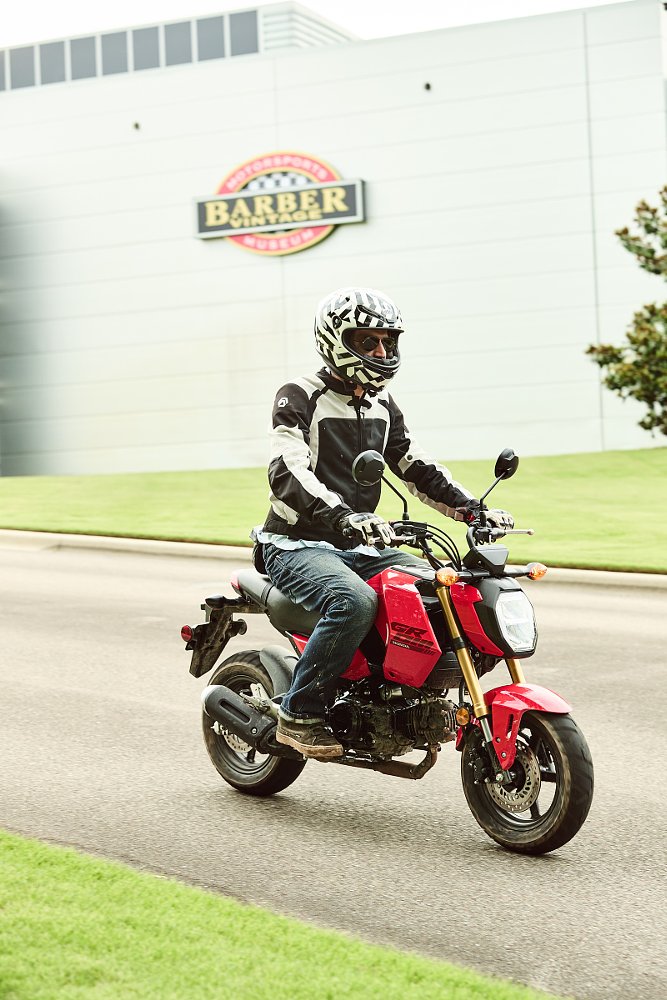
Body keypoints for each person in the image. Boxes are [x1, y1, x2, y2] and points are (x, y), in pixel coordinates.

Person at [253, 287, 513, 760]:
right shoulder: (300, 395)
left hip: (364, 544)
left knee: (445, 588)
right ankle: (299, 713)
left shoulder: (383, 404)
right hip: (296, 544)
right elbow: (286, 469)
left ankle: (398, 693)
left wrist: (472, 509)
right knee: (355, 602)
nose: (380, 353)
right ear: (336, 339)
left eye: (387, 343)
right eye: (367, 341)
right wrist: (342, 515)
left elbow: (413, 466)